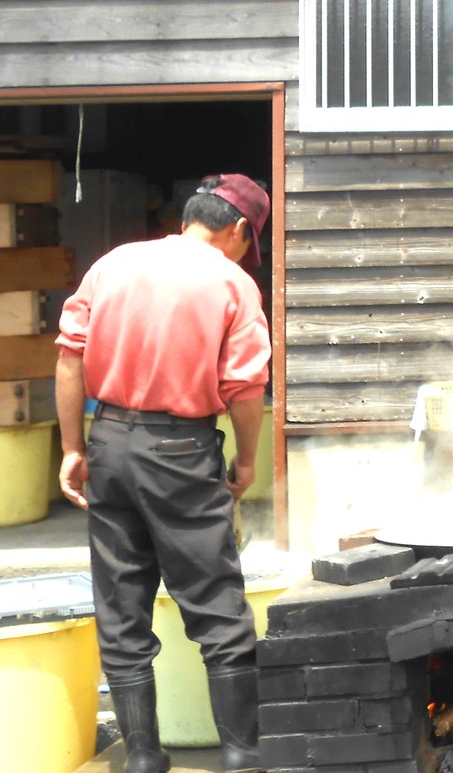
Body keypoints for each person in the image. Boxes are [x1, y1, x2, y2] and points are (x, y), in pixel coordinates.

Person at [55, 173, 273, 773]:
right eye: (245, 241)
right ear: (235, 231)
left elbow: (69, 358)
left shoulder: (114, 264)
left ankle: (144, 758)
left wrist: (74, 447)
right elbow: (245, 388)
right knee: (215, 605)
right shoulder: (233, 283)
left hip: (110, 445)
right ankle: (240, 753)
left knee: (121, 606)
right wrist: (248, 459)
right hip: (180, 452)